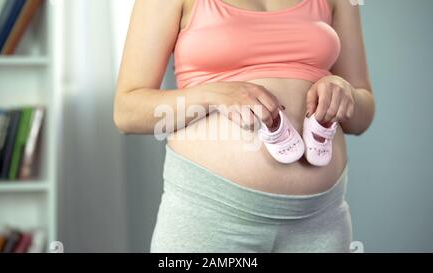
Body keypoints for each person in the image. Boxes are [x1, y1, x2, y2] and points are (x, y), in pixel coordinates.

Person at [114, 0, 375, 253]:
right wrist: (212, 95)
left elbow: (362, 117)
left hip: (321, 222)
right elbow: (127, 112)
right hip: (211, 215)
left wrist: (346, 93)